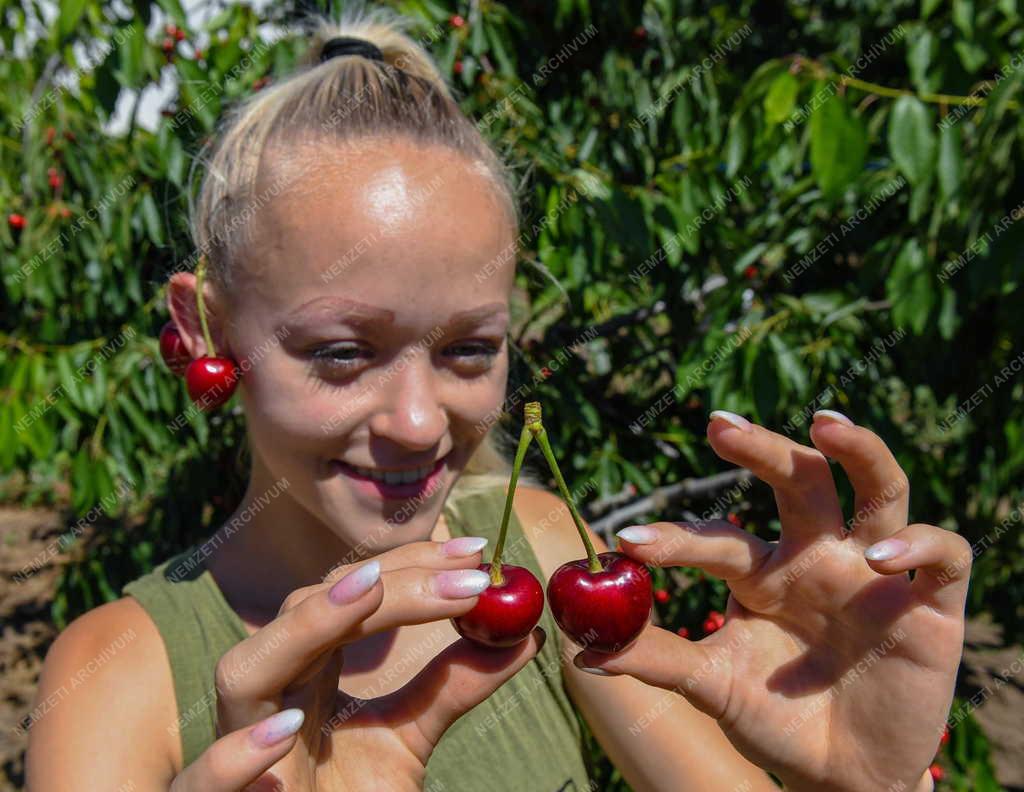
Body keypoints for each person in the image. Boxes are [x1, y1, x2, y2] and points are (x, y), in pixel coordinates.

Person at [25, 9, 970, 792]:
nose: (420, 421)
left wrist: (858, 781)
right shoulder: (119, 682)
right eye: (344, 352)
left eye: (469, 349)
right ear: (205, 331)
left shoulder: (543, 550)